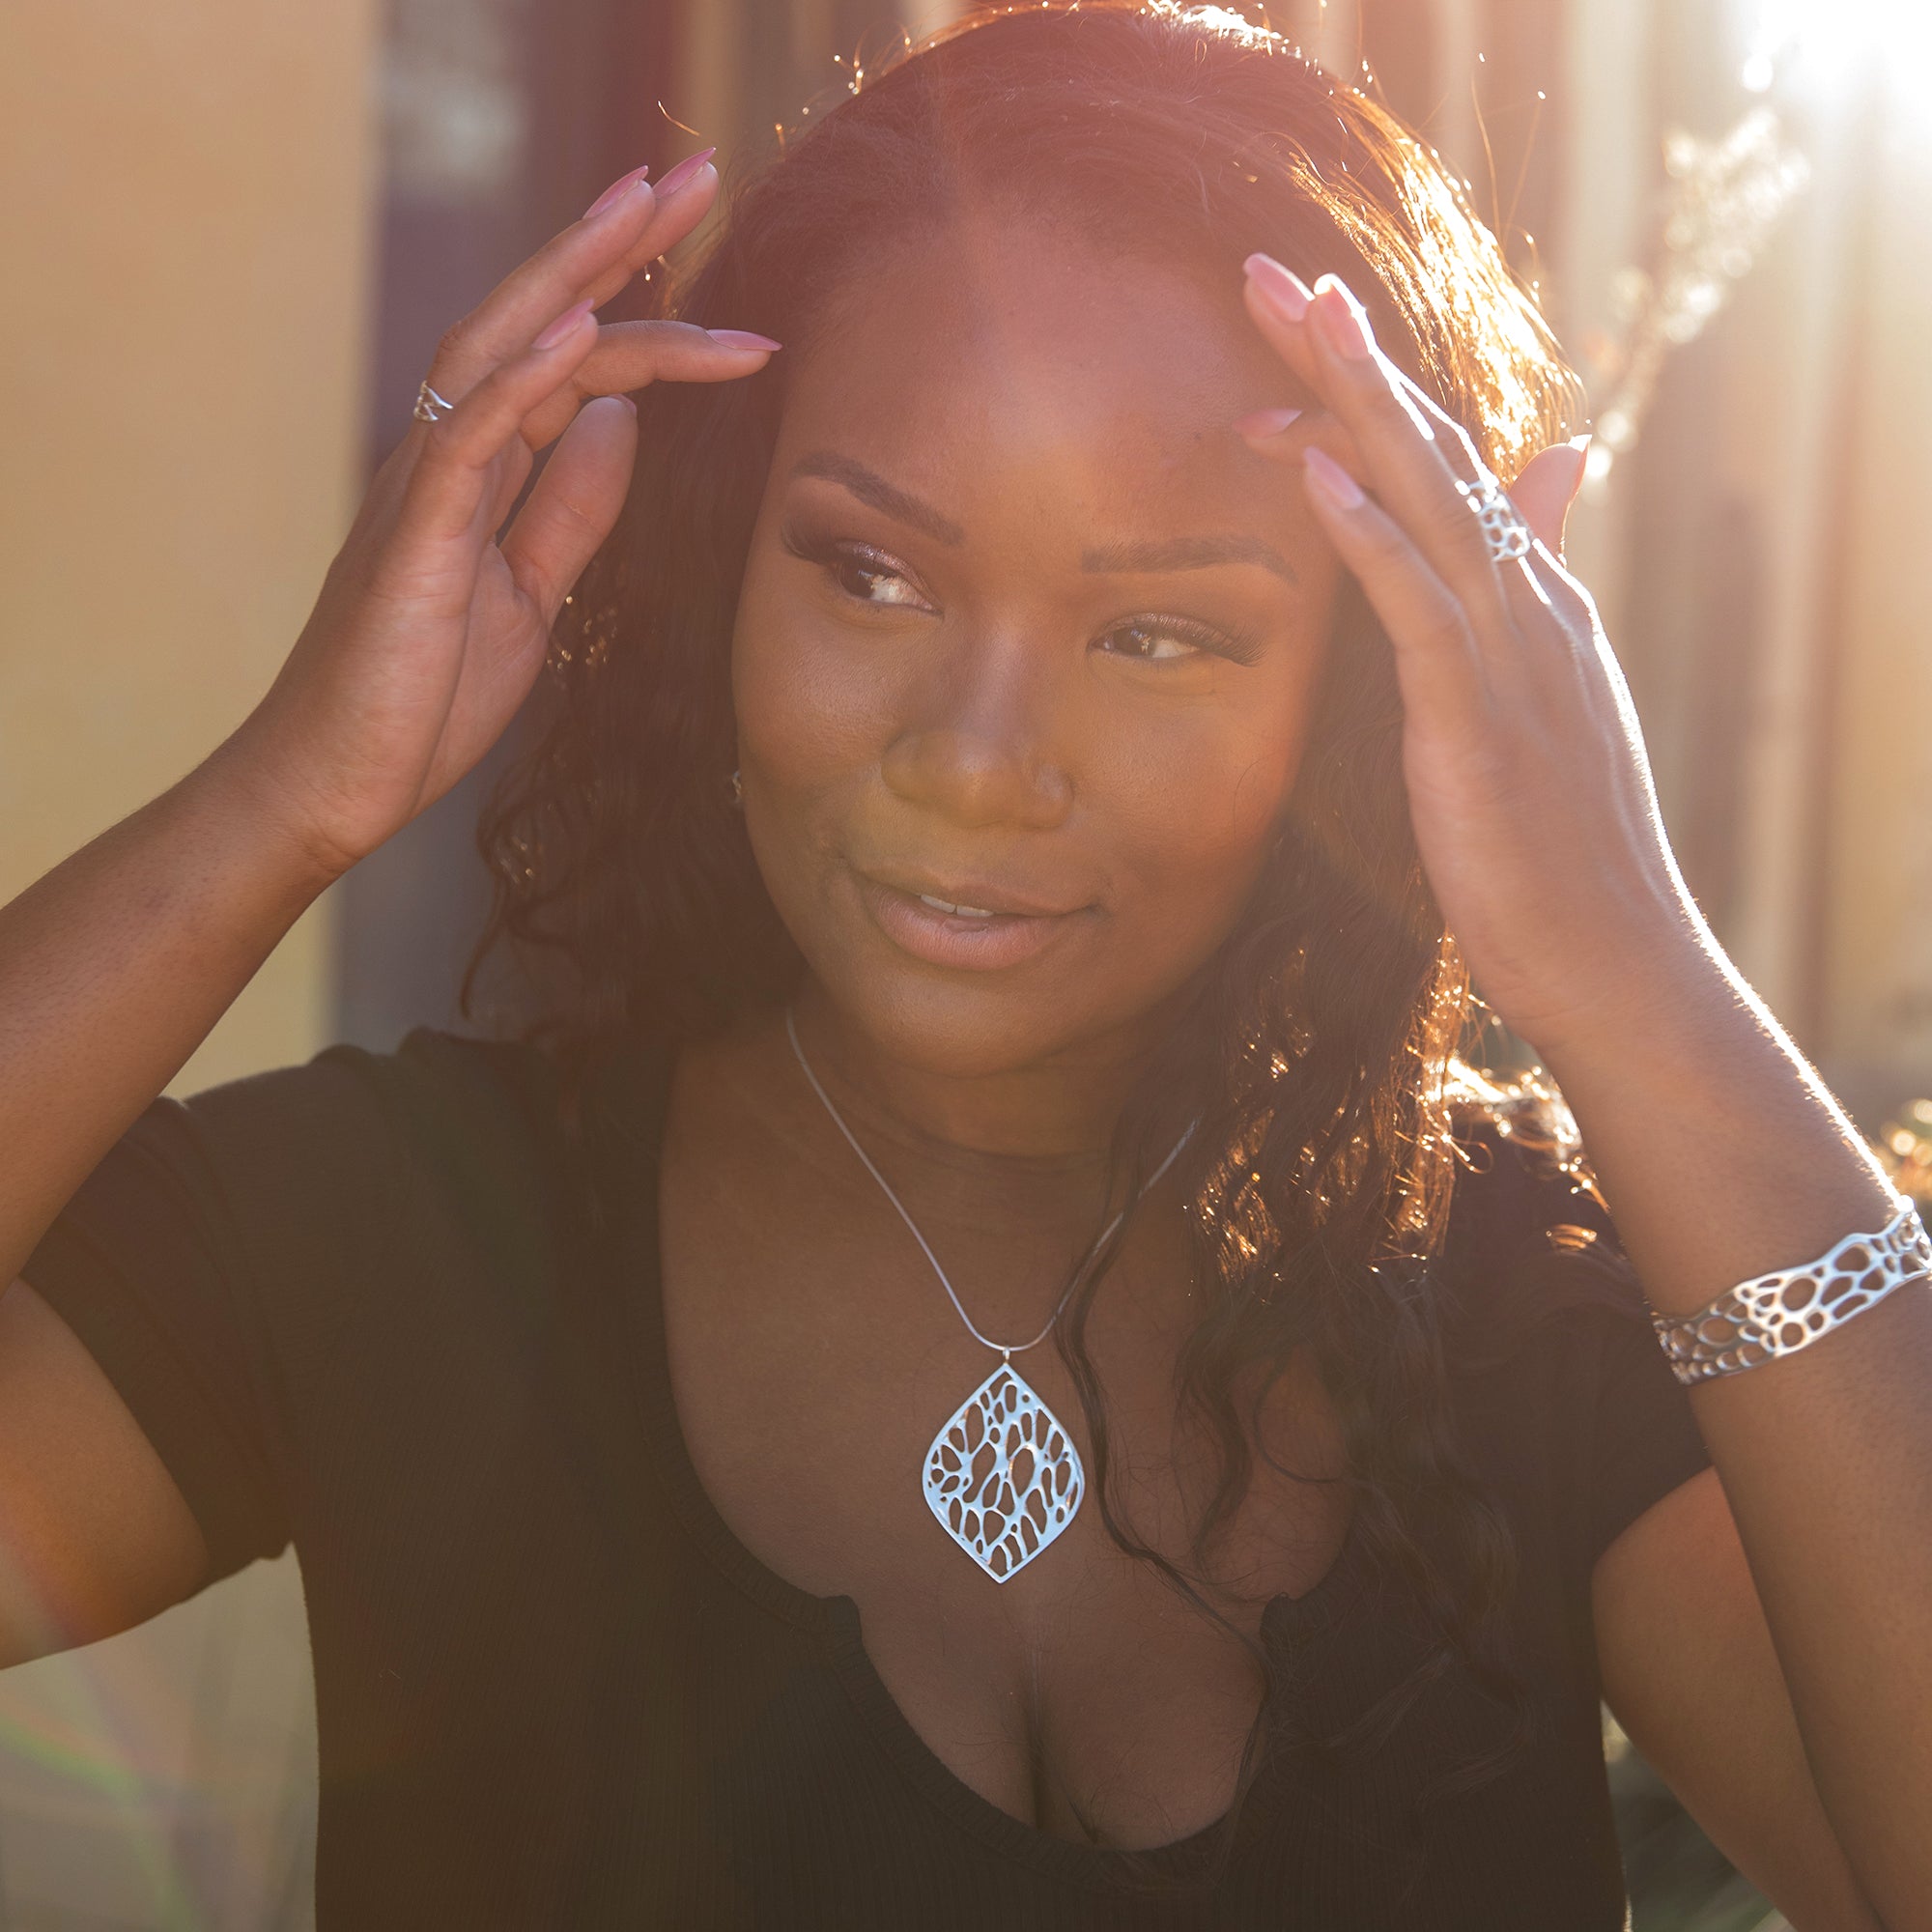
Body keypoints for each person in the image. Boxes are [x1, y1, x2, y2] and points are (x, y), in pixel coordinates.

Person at [2, 3, 1926, 1925]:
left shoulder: (1521, 1313)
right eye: (871, 571)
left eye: (1159, 631)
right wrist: (285, 800)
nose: (977, 753)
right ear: (708, 573)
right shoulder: (401, 1229)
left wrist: (1636, 972)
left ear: (1353, 699)